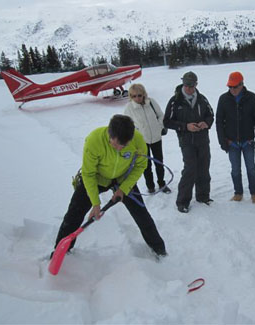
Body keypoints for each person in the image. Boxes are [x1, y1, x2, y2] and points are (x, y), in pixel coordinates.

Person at [53, 115, 166, 257]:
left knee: (141, 214)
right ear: (109, 134)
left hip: (122, 179)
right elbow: (89, 174)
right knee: (73, 215)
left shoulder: (137, 140)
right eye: (115, 144)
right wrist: (95, 203)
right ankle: (60, 252)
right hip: (97, 179)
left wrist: (123, 189)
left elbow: (141, 165)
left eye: (123, 146)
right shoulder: (94, 140)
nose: (119, 149)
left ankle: (159, 250)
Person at [163, 71, 214, 213]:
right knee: (190, 169)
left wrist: (206, 123)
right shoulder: (175, 101)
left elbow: (210, 114)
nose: (189, 88)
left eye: (192, 85)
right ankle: (182, 202)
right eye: (187, 85)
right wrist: (185, 126)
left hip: (203, 139)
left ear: (196, 84)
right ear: (183, 84)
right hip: (186, 141)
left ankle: (203, 196)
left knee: (204, 168)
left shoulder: (202, 99)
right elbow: (167, 121)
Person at [216, 72, 255, 204]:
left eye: (235, 87)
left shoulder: (252, 98)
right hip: (231, 142)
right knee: (235, 169)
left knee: (251, 168)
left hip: (248, 141)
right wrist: (222, 141)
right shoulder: (223, 99)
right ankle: (238, 193)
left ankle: (254, 193)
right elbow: (219, 122)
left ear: (242, 84)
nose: (232, 90)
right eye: (230, 87)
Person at [123, 83, 171, 194]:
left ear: (144, 94)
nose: (137, 98)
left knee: (159, 162)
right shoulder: (129, 108)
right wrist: (137, 134)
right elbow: (127, 125)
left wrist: (159, 127)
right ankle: (150, 186)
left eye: (139, 95)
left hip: (156, 138)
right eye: (134, 96)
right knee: (146, 165)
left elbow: (161, 115)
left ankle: (162, 184)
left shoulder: (152, 102)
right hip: (142, 141)